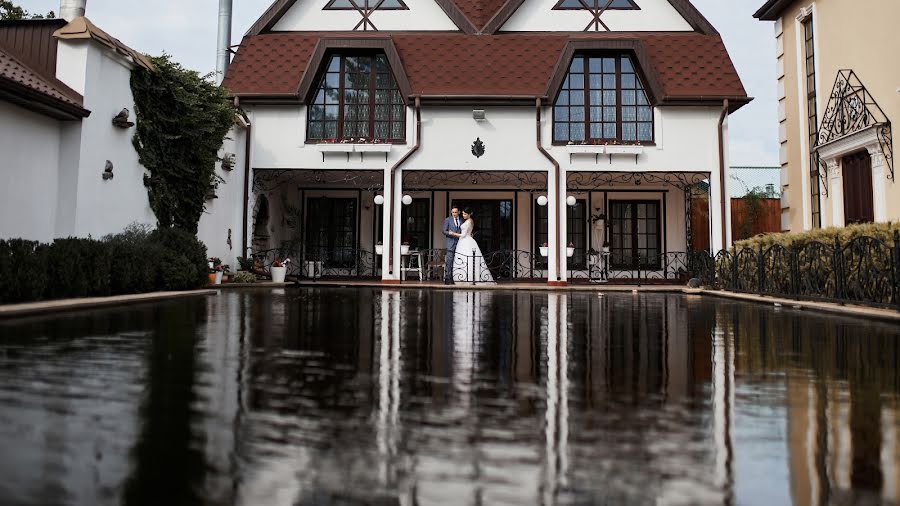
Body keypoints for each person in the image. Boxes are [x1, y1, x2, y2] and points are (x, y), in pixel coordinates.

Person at [452, 209, 494, 283]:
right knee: (464, 259)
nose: (463, 215)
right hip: (466, 241)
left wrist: (452, 233)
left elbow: (463, 235)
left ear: (469, 214)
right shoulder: (469, 220)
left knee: (468, 258)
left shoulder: (468, 222)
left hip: (465, 241)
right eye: (463, 214)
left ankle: (468, 278)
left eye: (465, 214)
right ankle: (464, 277)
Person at [441, 207, 462, 285]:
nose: (454, 214)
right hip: (450, 243)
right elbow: (444, 230)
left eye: (455, 212)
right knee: (449, 261)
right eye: (453, 212)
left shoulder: (461, 220)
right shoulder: (448, 220)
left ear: (458, 212)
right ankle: (447, 278)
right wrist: (450, 233)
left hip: (460, 243)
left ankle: (456, 278)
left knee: (458, 261)